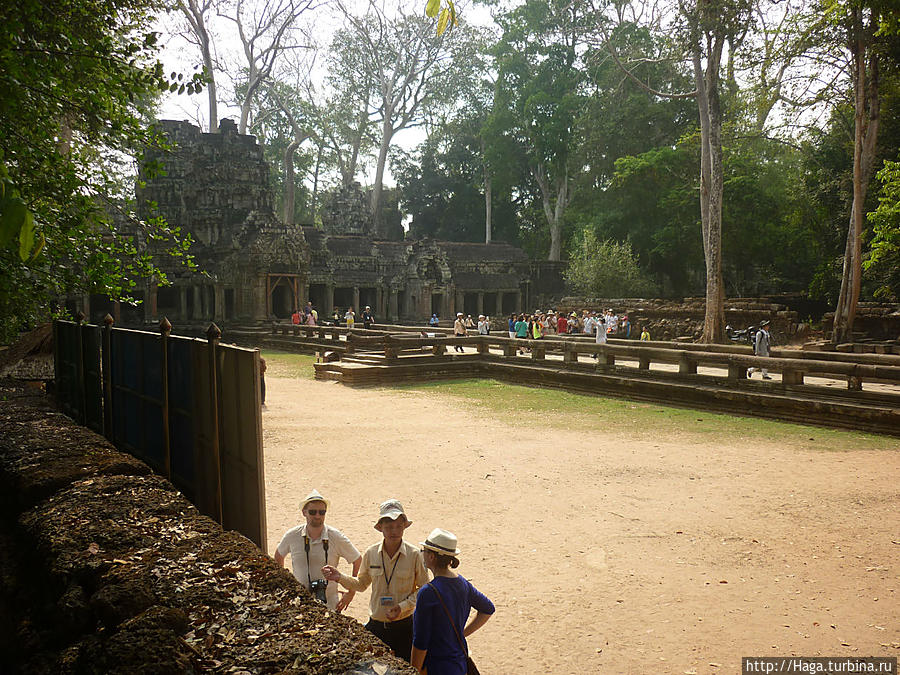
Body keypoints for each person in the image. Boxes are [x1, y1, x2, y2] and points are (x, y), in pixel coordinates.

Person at [324, 500, 428, 663]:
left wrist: (402, 607)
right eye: (389, 527)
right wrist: (340, 577)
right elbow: (361, 584)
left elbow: (423, 590)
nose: (394, 531)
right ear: (380, 528)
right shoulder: (371, 553)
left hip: (405, 627)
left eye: (398, 526)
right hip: (376, 627)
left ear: (404, 526)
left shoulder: (415, 555)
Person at [410, 529, 494, 675]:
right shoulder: (463, 584)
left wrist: (413, 670)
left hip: (436, 666)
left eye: (424, 550)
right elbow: (488, 609)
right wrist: (462, 634)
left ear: (431, 556)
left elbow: (421, 642)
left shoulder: (428, 592)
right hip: (458, 663)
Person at [275, 490, 361, 612]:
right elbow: (278, 556)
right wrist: (285, 586)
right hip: (299, 603)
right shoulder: (292, 535)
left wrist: (351, 593)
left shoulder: (336, 537)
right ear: (304, 512)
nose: (317, 516)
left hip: (330, 603)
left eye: (322, 512)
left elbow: (358, 560)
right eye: (312, 512)